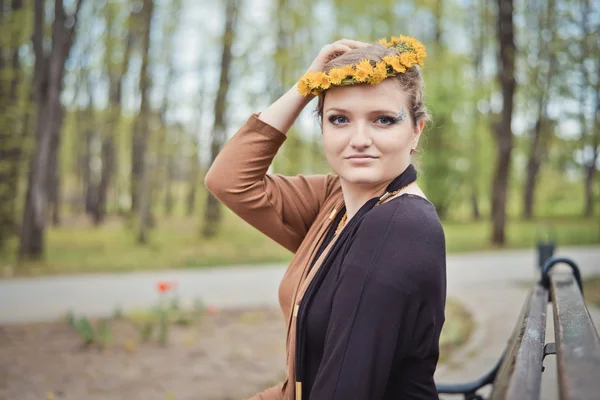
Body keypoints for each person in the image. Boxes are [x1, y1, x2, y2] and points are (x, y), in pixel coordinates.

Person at [205, 34, 446, 400]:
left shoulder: (399, 227)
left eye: (383, 119)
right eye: (339, 119)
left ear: (415, 130)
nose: (359, 138)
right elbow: (229, 181)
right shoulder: (335, 199)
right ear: (323, 128)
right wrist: (307, 85)